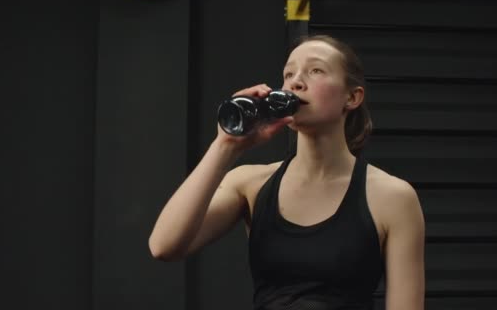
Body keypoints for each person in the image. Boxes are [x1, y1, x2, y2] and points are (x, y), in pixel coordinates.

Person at [149, 35, 425, 310]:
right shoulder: (251, 184)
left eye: (315, 70)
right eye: (289, 73)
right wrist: (226, 145)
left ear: (352, 97)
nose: (296, 81)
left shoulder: (393, 197)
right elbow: (164, 245)